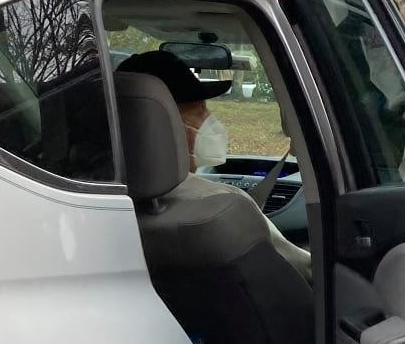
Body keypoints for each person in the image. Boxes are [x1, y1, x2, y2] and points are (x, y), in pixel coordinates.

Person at [117, 48, 312, 280]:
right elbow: (304, 272)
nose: (211, 120)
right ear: (162, 123)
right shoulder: (222, 206)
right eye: (200, 111)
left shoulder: (84, 203)